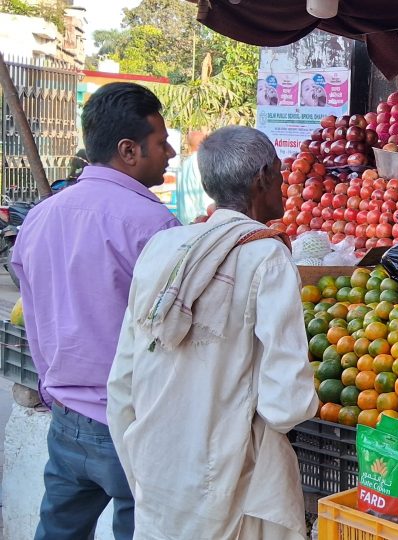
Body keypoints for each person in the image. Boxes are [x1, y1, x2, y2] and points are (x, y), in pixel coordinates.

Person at [108, 126, 318, 540]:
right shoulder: (267, 256)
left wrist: (142, 470)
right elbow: (286, 404)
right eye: (279, 173)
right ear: (262, 177)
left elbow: (122, 385)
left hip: (157, 475)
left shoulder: (162, 248)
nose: (283, 184)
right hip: (228, 483)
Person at [12, 82, 177, 540]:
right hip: (130, 423)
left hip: (67, 415)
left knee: (58, 532)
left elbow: (34, 319)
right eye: (161, 142)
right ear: (128, 150)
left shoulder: (42, 216)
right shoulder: (154, 226)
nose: (170, 153)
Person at [176, 130, 214, 224]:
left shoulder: (184, 165)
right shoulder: (202, 162)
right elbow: (206, 197)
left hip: (185, 221)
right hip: (200, 221)